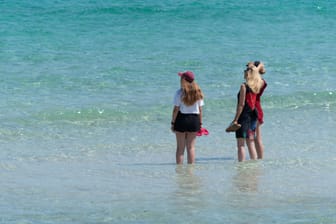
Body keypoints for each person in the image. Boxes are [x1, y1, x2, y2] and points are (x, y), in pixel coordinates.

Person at [231, 63, 263, 162]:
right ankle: (254, 165)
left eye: (246, 71)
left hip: (244, 116)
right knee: (251, 142)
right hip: (253, 116)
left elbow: (241, 105)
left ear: (249, 74)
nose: (244, 72)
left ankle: (241, 166)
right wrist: (255, 68)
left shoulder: (244, 86)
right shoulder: (257, 86)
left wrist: (235, 119)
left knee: (241, 144)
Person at [171, 71, 204, 164]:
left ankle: (180, 172)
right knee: (191, 147)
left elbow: (175, 110)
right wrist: (200, 123)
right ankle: (190, 171)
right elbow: (200, 110)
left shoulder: (179, 93)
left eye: (181, 77)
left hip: (181, 119)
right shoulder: (198, 92)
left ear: (184, 80)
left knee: (180, 148)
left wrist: (173, 122)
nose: (180, 79)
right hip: (194, 120)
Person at [253, 61, 267, 159]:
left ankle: (260, 158)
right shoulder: (261, 81)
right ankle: (259, 158)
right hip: (257, 107)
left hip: (255, 109)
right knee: (256, 136)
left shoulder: (258, 82)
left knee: (257, 136)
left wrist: (257, 67)